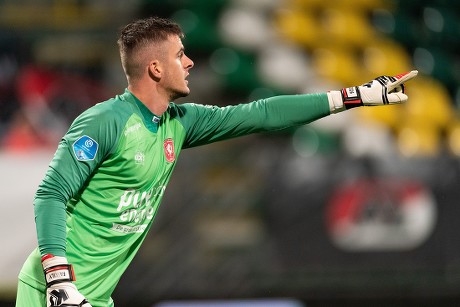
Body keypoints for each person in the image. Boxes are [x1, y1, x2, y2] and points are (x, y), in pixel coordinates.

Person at [15, 16, 418, 307]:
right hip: (53, 291)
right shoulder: (105, 121)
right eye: (180, 54)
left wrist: (352, 96)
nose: (190, 62)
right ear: (155, 67)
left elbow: (260, 113)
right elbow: (50, 194)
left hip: (95, 294)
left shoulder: (180, 122)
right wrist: (59, 278)